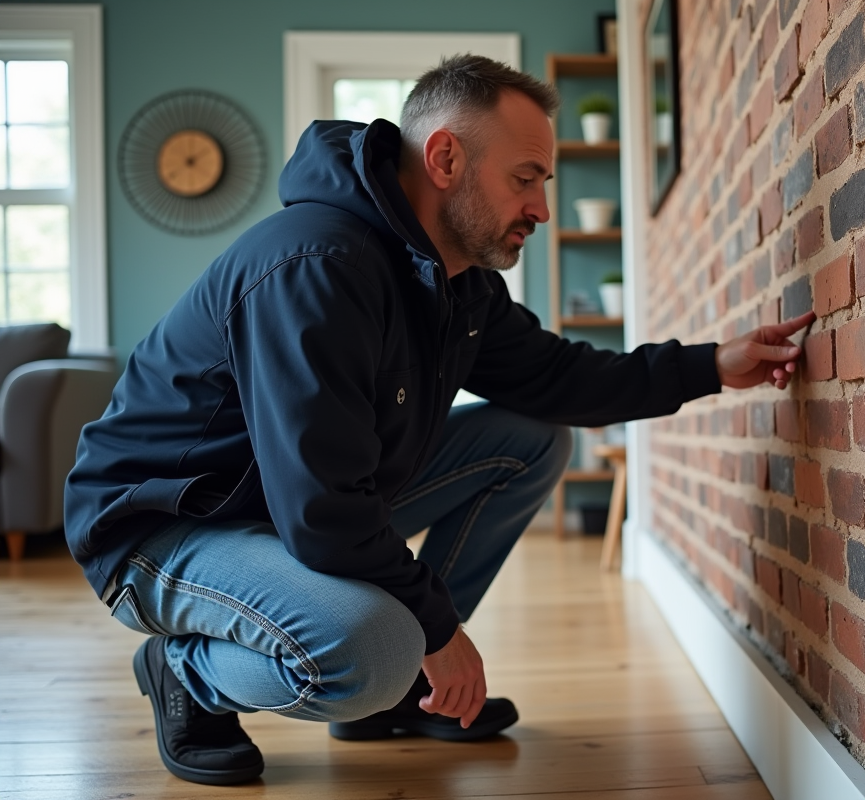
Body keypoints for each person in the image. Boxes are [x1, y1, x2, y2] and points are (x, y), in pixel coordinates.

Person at [64, 54, 815, 786]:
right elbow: (322, 510)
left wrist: (712, 364)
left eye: (543, 184)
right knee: (373, 649)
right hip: (166, 525)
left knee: (529, 439)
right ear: (447, 157)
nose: (542, 210)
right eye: (525, 180)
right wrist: (438, 631)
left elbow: (556, 378)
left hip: (286, 510)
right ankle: (185, 673)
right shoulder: (315, 266)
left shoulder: (457, 284)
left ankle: (398, 697)